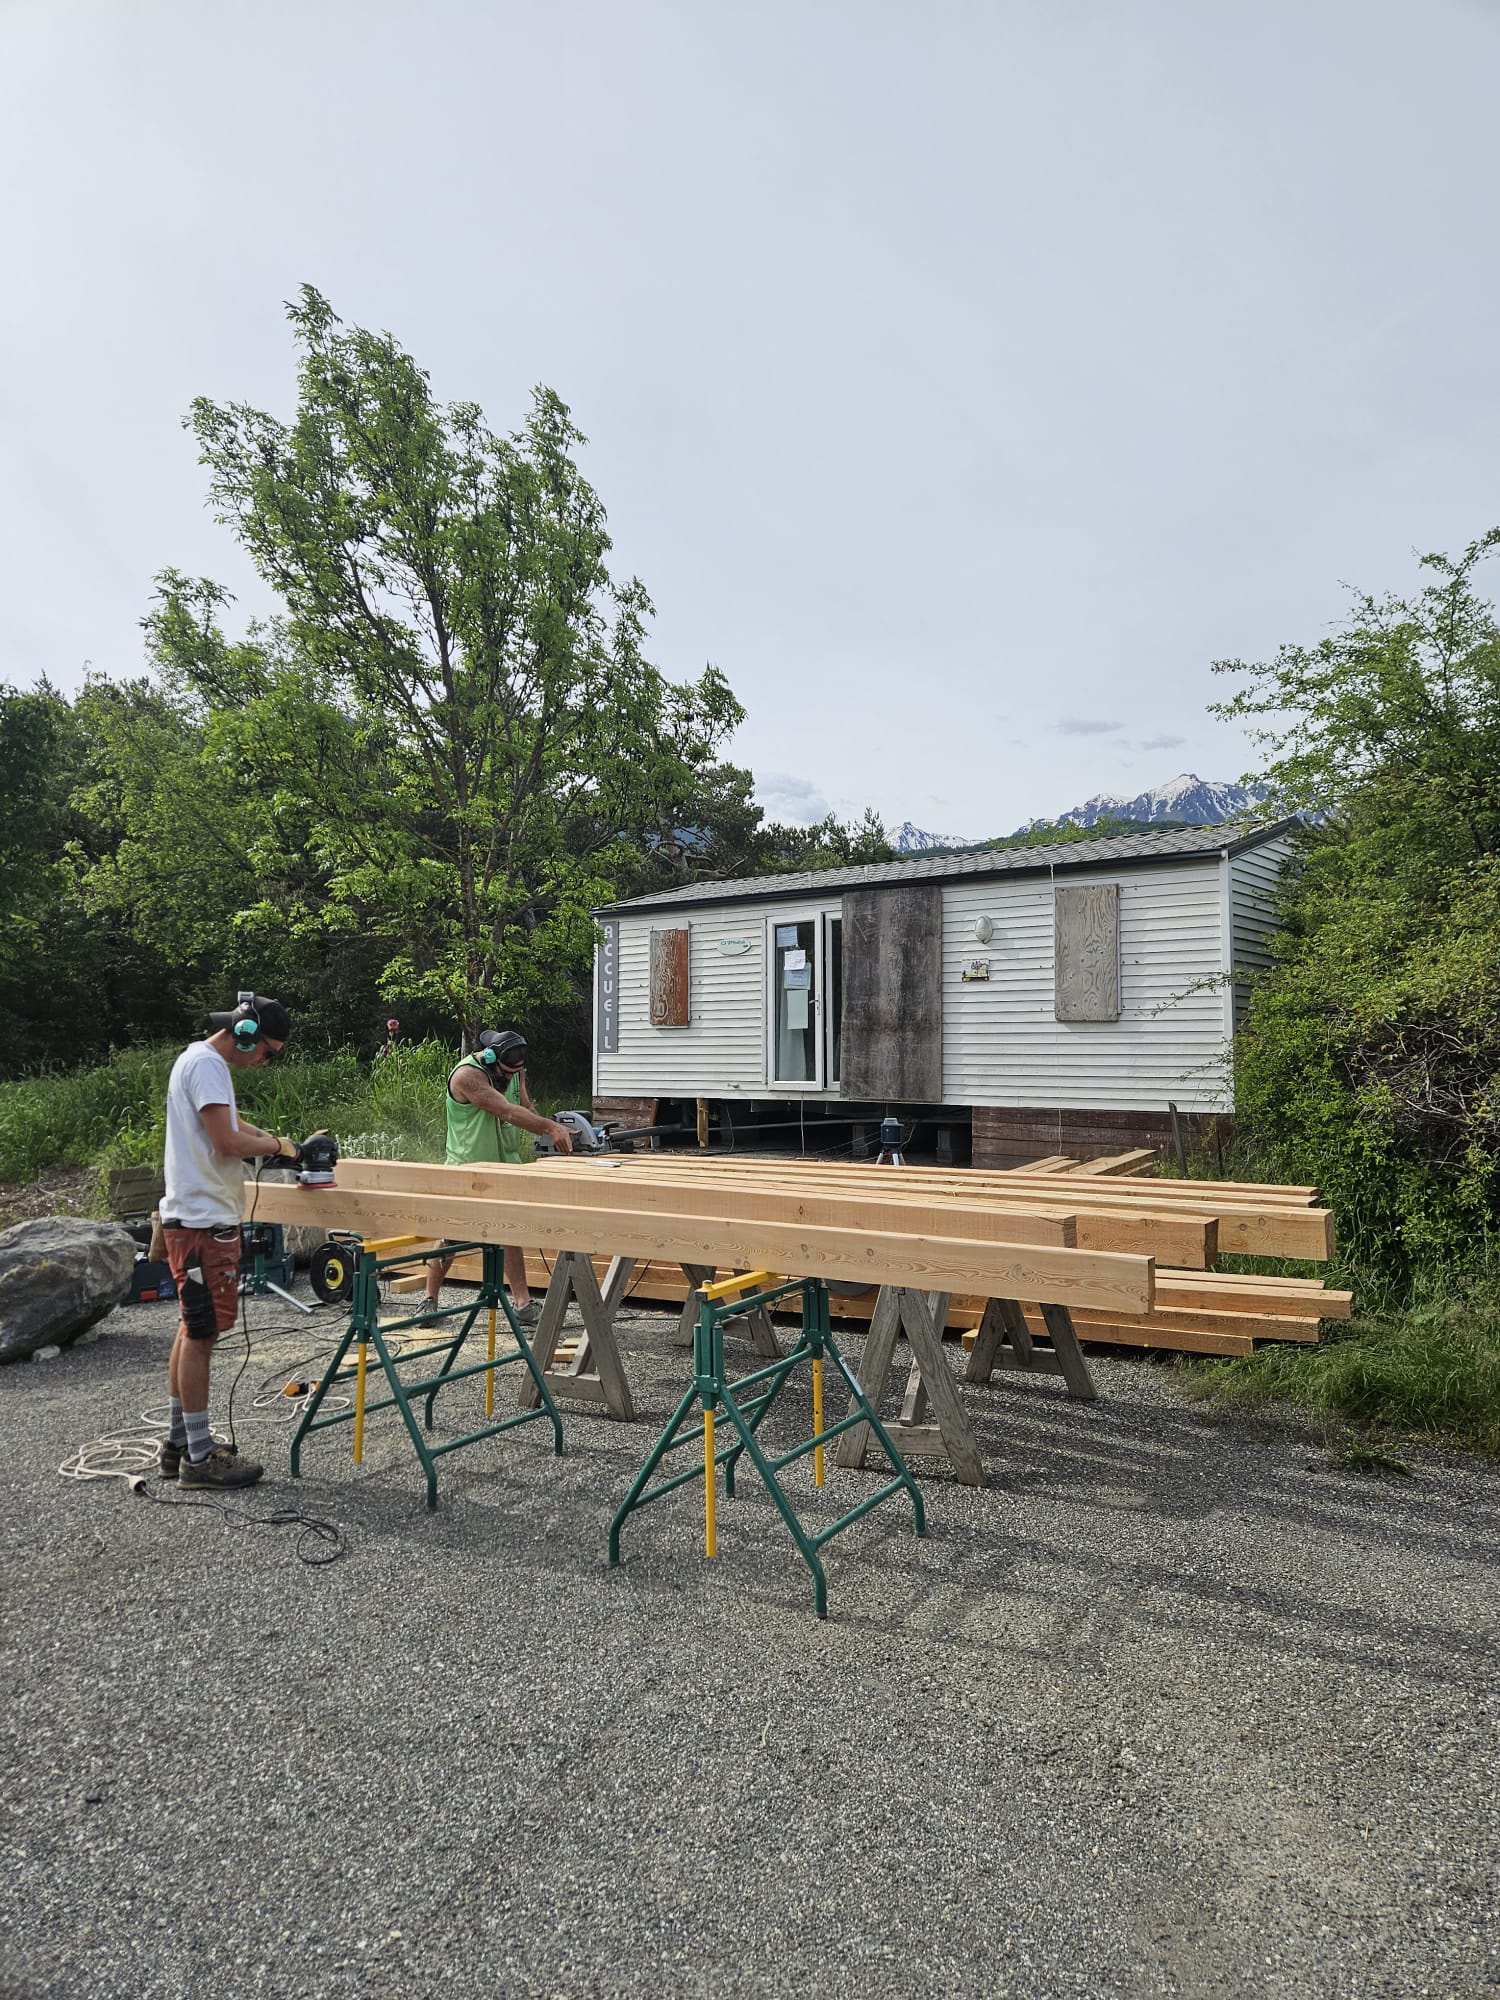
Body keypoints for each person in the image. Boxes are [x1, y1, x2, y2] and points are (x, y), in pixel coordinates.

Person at [158, 993, 314, 1489]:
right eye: (267, 1051)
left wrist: (272, 1139)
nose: (265, 1061)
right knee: (201, 1335)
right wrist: (277, 1146)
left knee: (191, 1328)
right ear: (245, 1034)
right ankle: (199, 1458)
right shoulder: (208, 1066)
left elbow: (230, 1125)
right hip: (204, 1224)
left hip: (193, 1218)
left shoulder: (197, 1060)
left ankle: (180, 1444)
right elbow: (226, 1143)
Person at [421, 1029, 573, 1324]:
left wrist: (555, 1128)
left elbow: (524, 1107)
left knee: (510, 1232)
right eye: (505, 1073)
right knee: (452, 1234)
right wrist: (549, 1128)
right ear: (490, 1059)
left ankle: (523, 1303)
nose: (510, 1078)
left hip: (505, 1166)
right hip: (470, 1168)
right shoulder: (467, 1076)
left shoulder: (514, 1068)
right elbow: (506, 1111)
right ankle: (429, 1300)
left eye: (515, 1073)